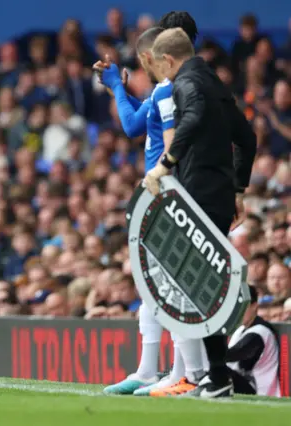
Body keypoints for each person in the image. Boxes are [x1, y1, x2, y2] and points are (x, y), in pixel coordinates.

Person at [98, 17, 208, 397]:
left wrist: (115, 86)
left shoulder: (167, 92)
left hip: (166, 191)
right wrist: (119, 87)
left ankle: (183, 374)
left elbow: (135, 128)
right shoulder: (176, 88)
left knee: (170, 285)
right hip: (168, 190)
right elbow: (133, 126)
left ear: (151, 56)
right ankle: (161, 371)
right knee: (156, 285)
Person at [145, 28, 257, 398]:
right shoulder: (216, 84)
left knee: (200, 286)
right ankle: (215, 374)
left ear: (167, 60)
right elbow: (247, 137)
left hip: (200, 196)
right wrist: (238, 187)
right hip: (220, 196)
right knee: (204, 285)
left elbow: (190, 119)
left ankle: (218, 376)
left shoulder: (187, 83)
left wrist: (166, 163)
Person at [227, 285, 281, 397]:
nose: (237, 312)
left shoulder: (260, 331)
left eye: (242, 307)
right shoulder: (240, 329)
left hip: (260, 391)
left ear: (254, 306)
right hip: (243, 385)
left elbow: (233, 355)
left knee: (216, 369)